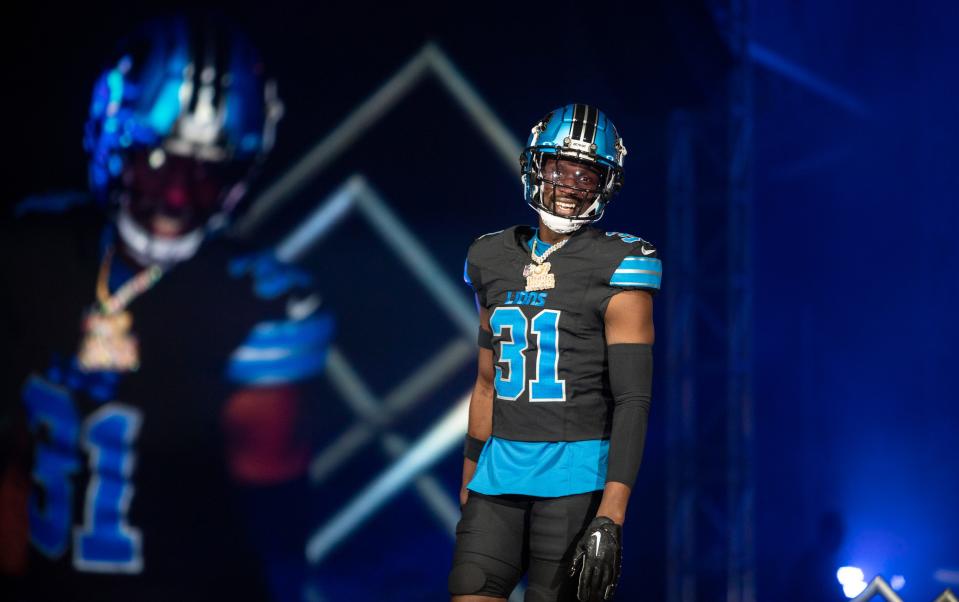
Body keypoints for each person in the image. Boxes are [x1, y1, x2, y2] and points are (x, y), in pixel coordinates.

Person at [0, 17, 332, 601]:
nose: (179, 197)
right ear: (111, 135)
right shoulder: (36, 248)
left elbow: (272, 522)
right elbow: (13, 466)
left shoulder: (261, 305)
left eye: (208, 173)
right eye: (158, 162)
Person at [448, 104, 660, 602]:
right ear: (536, 166)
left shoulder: (623, 263)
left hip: (575, 481)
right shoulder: (489, 257)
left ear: (605, 185)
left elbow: (633, 400)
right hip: (497, 478)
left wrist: (611, 514)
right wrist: (470, 477)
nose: (570, 184)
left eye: (587, 175)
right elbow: (486, 381)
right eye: (561, 167)